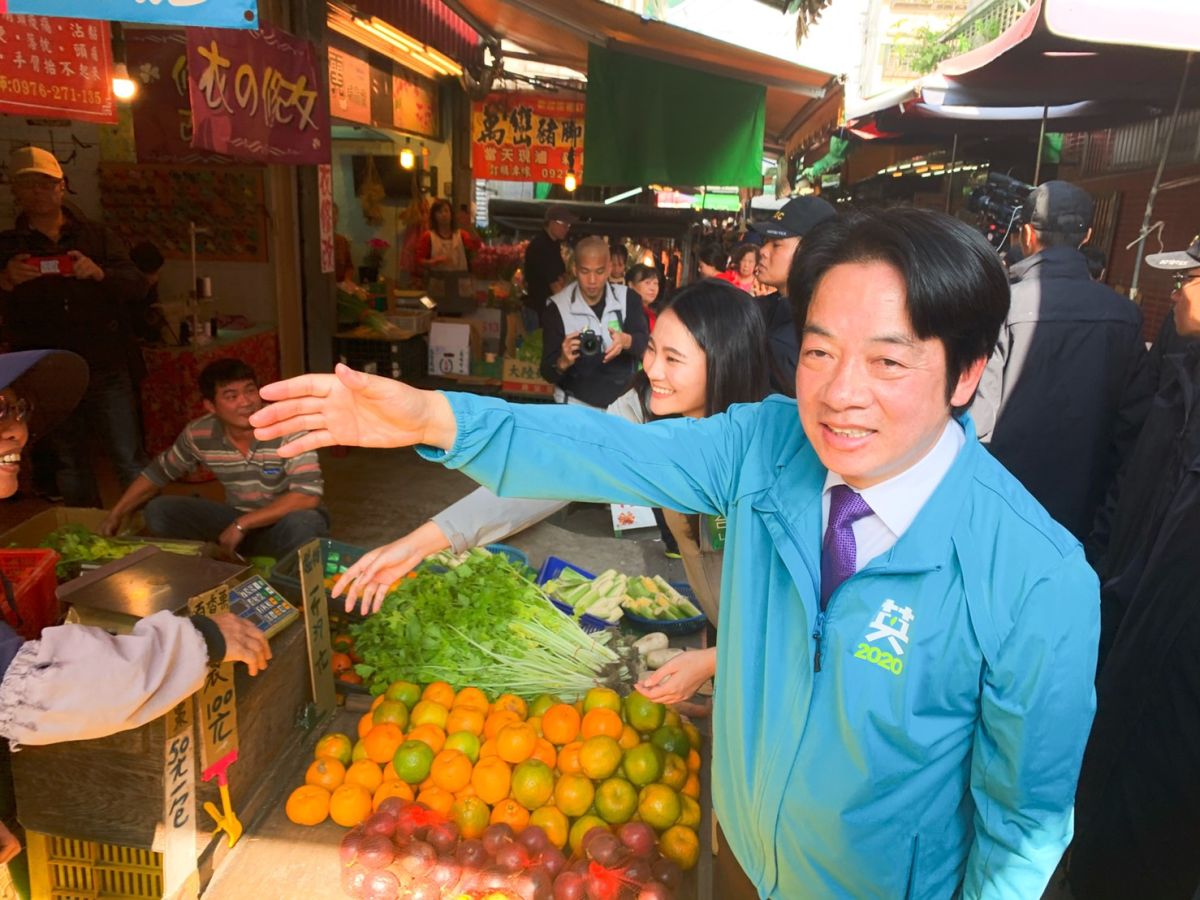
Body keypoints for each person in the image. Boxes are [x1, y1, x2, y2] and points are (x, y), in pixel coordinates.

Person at [251, 207, 1100, 899]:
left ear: (964, 375)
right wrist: (440, 420)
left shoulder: (1037, 577)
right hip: (733, 857)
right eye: (818, 352)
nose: (842, 395)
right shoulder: (769, 446)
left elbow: (1021, 826)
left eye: (888, 361)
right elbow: (610, 451)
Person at [331, 281, 773, 703]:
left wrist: (716, 661)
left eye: (673, 359)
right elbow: (554, 468)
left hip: (766, 652)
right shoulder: (642, 411)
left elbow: (795, 608)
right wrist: (422, 541)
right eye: (652, 349)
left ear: (723, 363)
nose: (652, 369)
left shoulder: (770, 451)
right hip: (729, 637)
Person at [0, 348, 271, 882]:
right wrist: (203, 638)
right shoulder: (200, 435)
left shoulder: (278, 433)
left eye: (17, 410)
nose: (16, 433)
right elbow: (45, 687)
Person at [1067, 236, 1200, 900]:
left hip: (1168, 714)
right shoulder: (1180, 379)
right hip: (1125, 663)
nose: (1179, 290)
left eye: (1193, 276)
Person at [969, 181, 1151, 542]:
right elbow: (1132, 433)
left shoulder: (1002, 305)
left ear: (1026, 234)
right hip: (1083, 516)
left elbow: (977, 422)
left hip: (1002, 508)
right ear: (1087, 236)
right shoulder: (1125, 316)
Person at [0, 145, 149, 507]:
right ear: (15, 192)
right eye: (28, 185)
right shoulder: (7, 245)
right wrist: (4, 280)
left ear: (61, 187)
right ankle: (87, 533)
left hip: (104, 362)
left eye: (44, 184)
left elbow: (137, 285)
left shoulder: (95, 236)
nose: (37, 192)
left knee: (127, 455)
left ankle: (152, 530)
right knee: (70, 460)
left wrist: (99, 273)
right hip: (46, 372)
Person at [100, 358, 328, 559]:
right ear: (211, 406)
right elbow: (156, 474)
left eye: (250, 390)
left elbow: (307, 496)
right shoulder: (199, 434)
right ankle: (219, 564)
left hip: (284, 522)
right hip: (238, 517)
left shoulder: (286, 425)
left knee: (306, 523)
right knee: (160, 511)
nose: (246, 402)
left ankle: (281, 582)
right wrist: (116, 513)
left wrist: (242, 525)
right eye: (231, 396)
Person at [539, 236, 650, 409]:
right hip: (575, 408)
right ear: (575, 269)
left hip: (622, 408)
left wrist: (625, 341)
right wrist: (562, 362)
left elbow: (644, 344)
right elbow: (546, 372)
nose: (592, 280)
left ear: (609, 269)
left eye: (599, 272)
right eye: (585, 271)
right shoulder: (557, 308)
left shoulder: (628, 299)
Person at [749, 195, 837, 396]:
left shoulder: (808, 335)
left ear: (811, 251)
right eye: (765, 241)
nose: (762, 251)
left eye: (776, 244)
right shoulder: (763, 309)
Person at [521, 205, 575, 332]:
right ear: (551, 223)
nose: (567, 229)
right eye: (564, 224)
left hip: (547, 308)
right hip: (539, 311)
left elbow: (563, 277)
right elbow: (556, 285)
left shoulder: (553, 244)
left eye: (568, 225)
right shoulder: (541, 247)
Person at [415, 198, 481, 279]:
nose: (444, 214)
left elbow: (476, 247)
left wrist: (469, 226)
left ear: (451, 214)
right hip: (437, 284)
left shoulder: (461, 235)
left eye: (446, 211)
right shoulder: (428, 236)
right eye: (439, 212)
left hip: (461, 284)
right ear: (434, 216)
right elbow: (419, 260)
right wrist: (433, 262)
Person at [626, 263, 663, 330]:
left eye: (655, 283)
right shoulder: (626, 312)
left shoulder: (656, 312)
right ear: (631, 285)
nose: (652, 288)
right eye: (647, 283)